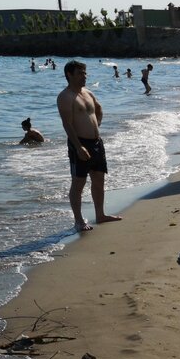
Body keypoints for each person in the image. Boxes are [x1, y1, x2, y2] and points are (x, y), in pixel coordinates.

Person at [57, 60, 122, 232]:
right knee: (78, 183)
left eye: (85, 73)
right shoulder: (65, 96)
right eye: (80, 73)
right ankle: (78, 221)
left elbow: (98, 108)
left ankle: (100, 215)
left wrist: (97, 123)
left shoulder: (87, 92)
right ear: (69, 75)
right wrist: (78, 147)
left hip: (96, 142)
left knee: (99, 179)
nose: (84, 76)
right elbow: (67, 124)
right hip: (79, 143)